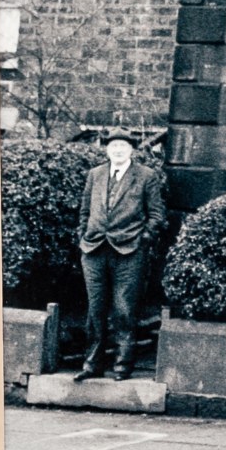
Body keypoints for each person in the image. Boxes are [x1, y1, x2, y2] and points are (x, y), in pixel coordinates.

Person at [75, 128, 166, 381]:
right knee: (95, 310)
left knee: (124, 309)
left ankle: (122, 366)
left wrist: (143, 240)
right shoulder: (96, 174)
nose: (117, 150)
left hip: (129, 251)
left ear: (131, 150)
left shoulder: (146, 176)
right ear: (106, 149)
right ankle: (92, 365)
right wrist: (83, 235)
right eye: (113, 145)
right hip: (93, 250)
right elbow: (84, 210)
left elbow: (157, 215)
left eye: (123, 146)